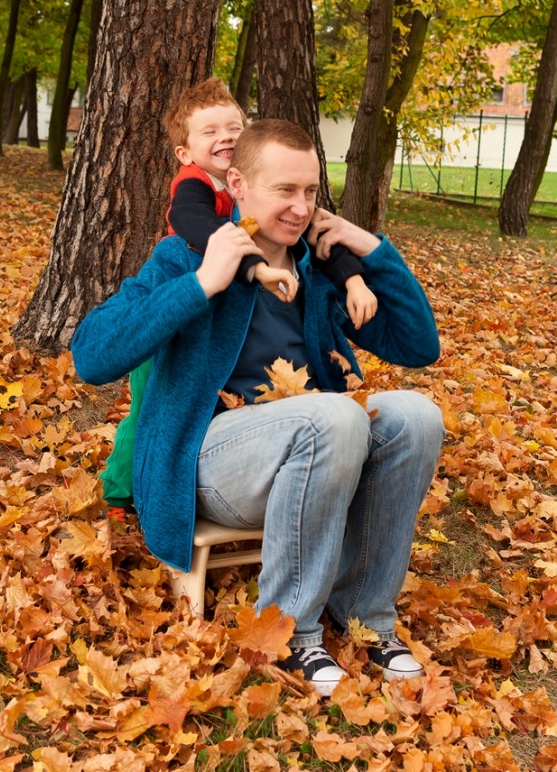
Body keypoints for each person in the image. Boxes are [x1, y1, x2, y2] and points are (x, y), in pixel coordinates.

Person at [72, 118, 444, 698]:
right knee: (336, 415)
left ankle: (366, 617)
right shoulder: (189, 256)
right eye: (284, 191)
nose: (301, 208)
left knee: (417, 415)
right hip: (208, 466)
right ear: (239, 184)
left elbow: (419, 347)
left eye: (311, 192)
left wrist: (369, 247)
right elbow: (92, 356)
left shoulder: (319, 274)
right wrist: (202, 283)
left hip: (313, 452)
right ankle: (288, 634)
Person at [102, 79, 378, 518]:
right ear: (185, 153)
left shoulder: (270, 190)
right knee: (151, 409)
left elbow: (320, 237)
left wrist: (355, 281)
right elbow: (189, 221)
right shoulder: (193, 185)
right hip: (179, 315)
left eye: (234, 126)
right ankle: (124, 490)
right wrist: (250, 267)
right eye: (209, 132)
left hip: (247, 330)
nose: (226, 136)